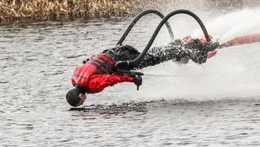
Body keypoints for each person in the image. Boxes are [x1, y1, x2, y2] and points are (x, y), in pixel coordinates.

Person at [65, 37, 218, 107]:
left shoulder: (92, 85)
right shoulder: (75, 78)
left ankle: (193, 47)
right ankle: (177, 46)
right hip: (113, 52)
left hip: (121, 58)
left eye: (81, 102)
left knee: (151, 59)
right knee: (150, 56)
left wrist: (133, 79)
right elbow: (90, 62)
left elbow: (113, 79)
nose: (84, 102)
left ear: (79, 95)